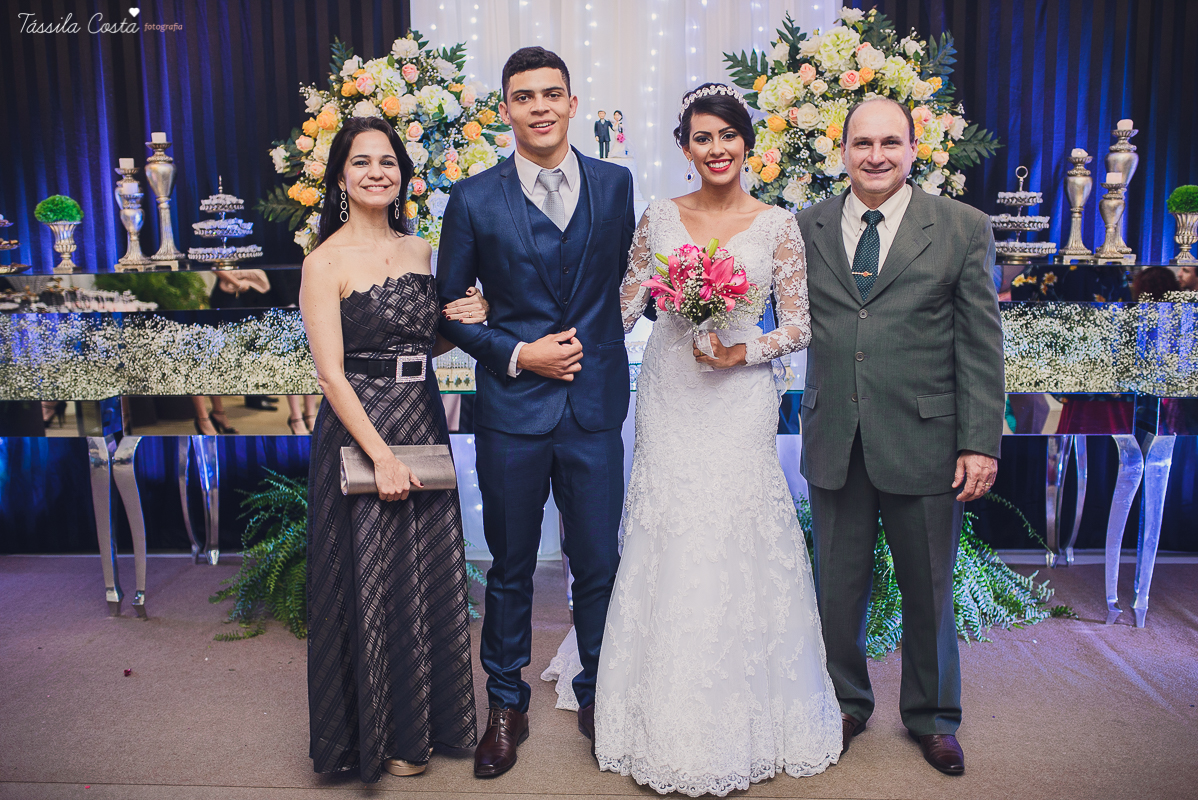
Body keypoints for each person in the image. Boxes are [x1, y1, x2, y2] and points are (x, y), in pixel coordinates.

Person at [597, 82, 842, 796]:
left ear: (746, 143)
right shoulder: (657, 217)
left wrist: (746, 351)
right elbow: (623, 306)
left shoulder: (777, 225)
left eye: (728, 136)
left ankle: (754, 714)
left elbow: (801, 323)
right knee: (669, 532)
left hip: (738, 400)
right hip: (673, 395)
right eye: (702, 138)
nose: (716, 149)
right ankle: (656, 711)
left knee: (739, 530)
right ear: (684, 148)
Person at [437, 46, 636, 779]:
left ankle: (598, 692)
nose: (541, 106)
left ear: (573, 103)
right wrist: (521, 353)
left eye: (553, 94)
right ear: (507, 110)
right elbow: (451, 314)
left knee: (599, 564)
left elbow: (629, 285)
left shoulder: (617, 186)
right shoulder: (473, 199)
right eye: (525, 97)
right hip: (512, 412)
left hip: (593, 409)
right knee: (512, 567)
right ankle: (504, 705)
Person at [794, 97, 1005, 776]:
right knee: (837, 588)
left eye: (890, 143)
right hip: (837, 435)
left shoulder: (961, 228)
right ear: (843, 151)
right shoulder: (805, 226)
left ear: (914, 149)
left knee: (929, 588)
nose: (876, 156)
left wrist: (980, 441)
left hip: (927, 440)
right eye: (862, 144)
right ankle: (843, 703)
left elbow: (980, 344)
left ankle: (934, 717)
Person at [299, 116, 488, 783]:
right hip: (362, 426)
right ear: (341, 177)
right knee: (372, 578)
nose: (377, 171)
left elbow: (423, 342)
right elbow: (330, 373)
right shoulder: (323, 262)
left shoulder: (423, 251)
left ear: (404, 174)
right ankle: (372, 736)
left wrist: (461, 322)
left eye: (388, 161)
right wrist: (379, 455)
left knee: (427, 576)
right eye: (361, 162)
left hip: (422, 413)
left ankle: (421, 730)